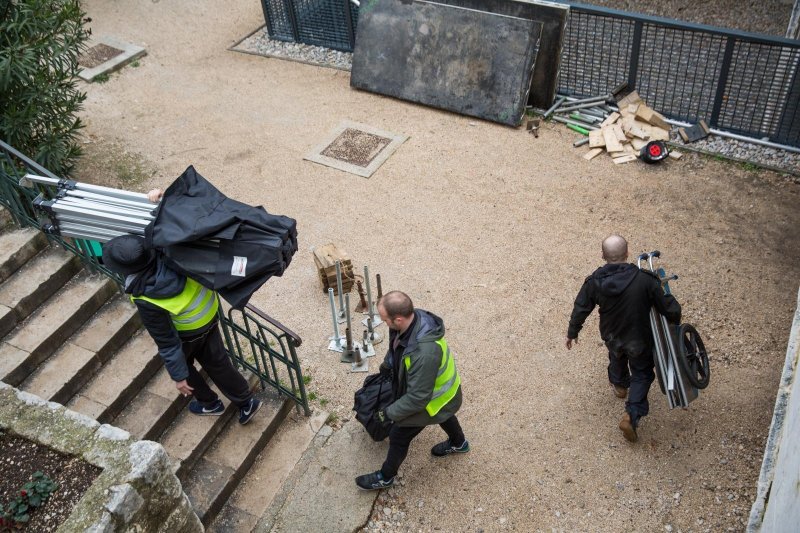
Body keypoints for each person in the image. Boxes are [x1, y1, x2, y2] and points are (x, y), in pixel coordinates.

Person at [101, 188, 261, 425]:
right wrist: (160, 200)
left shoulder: (146, 298)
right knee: (218, 361)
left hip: (188, 332)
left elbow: (166, 341)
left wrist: (178, 377)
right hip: (209, 314)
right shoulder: (170, 250)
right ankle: (246, 402)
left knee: (184, 365)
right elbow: (171, 223)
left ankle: (209, 404)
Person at [565, 235, 681, 442]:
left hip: (611, 334)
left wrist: (572, 332)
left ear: (603, 256)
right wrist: (675, 315)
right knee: (642, 373)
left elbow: (581, 308)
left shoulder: (594, 282)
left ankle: (619, 385)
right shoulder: (645, 280)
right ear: (627, 253)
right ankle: (631, 414)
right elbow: (666, 308)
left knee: (616, 355)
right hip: (639, 338)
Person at [355, 291, 469, 491]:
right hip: (442, 399)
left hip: (435, 398)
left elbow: (418, 398)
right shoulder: (410, 321)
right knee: (444, 414)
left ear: (398, 319)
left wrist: (388, 413)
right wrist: (388, 363)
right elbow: (396, 348)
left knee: (399, 435)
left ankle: (385, 477)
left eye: (384, 320)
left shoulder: (424, 353)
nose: (383, 323)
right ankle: (459, 443)